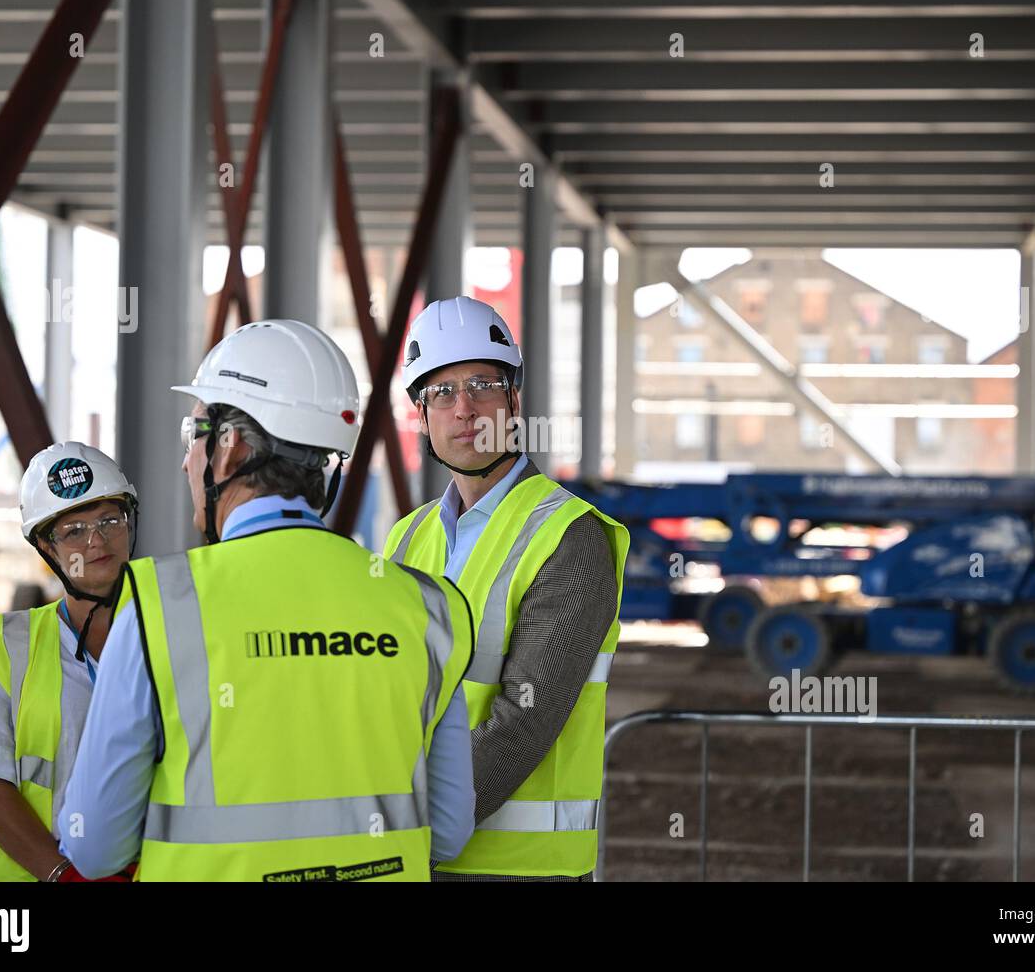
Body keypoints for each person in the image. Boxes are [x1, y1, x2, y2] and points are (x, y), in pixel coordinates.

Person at [59, 319, 475, 881]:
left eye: (194, 435)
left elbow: (94, 846)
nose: (187, 460)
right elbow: (448, 832)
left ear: (229, 449)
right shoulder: (426, 608)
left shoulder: (163, 605)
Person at [385, 295, 629, 881]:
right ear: (422, 414)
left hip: (517, 867)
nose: (465, 408)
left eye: (482, 386)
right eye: (442, 392)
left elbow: (522, 724)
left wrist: (405, 826)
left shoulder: (570, 536)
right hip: (411, 855)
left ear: (513, 400)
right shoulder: (405, 539)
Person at [0, 442, 139, 881]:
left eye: (110, 520)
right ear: (47, 548)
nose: (96, 540)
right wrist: (63, 875)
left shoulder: (170, 630)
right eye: (73, 530)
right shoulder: (7, 645)